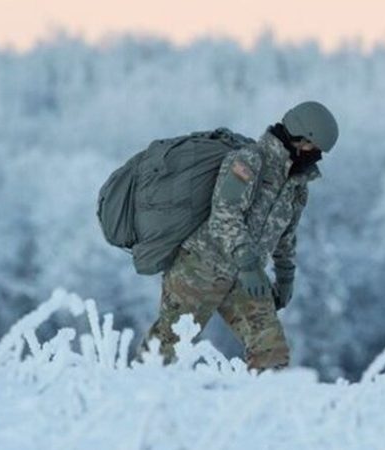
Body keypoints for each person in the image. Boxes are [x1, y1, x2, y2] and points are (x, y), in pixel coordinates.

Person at [141, 101, 339, 371]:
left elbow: (286, 236)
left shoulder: (297, 186)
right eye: (313, 148)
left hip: (246, 278)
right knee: (167, 348)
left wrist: (285, 277)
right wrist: (247, 262)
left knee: (271, 351)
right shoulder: (249, 161)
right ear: (299, 137)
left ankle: (265, 408)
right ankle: (133, 399)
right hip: (199, 268)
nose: (315, 156)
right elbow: (225, 214)